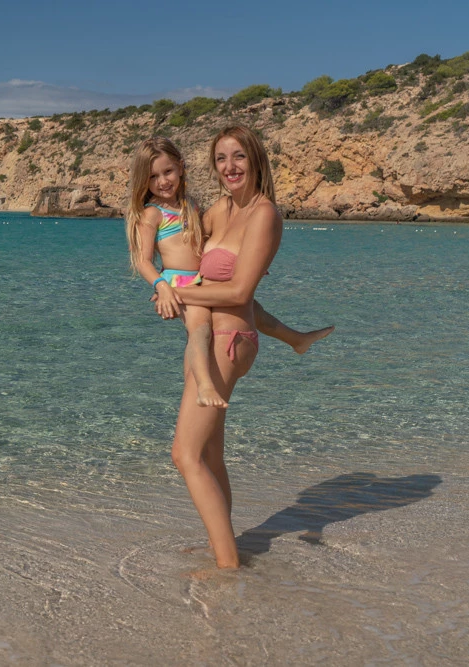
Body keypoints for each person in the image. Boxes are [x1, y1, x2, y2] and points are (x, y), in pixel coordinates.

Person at [168, 125, 301, 568]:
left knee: (184, 455)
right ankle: (221, 542)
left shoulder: (264, 215)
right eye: (221, 158)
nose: (230, 167)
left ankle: (228, 568)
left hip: (230, 342)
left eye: (239, 156)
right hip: (204, 341)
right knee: (209, 455)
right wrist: (164, 285)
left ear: (256, 159)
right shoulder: (217, 211)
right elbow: (189, 268)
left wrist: (182, 295)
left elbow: (241, 292)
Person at [125, 137, 332, 408]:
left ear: (181, 167)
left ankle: (296, 338)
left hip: (200, 281)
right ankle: (205, 385)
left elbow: (215, 237)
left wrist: (246, 259)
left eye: (168, 172)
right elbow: (142, 261)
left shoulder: (192, 206)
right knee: (200, 329)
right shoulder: (153, 214)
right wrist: (163, 288)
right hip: (178, 283)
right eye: (153, 176)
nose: (163, 181)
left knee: (253, 309)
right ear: (144, 181)